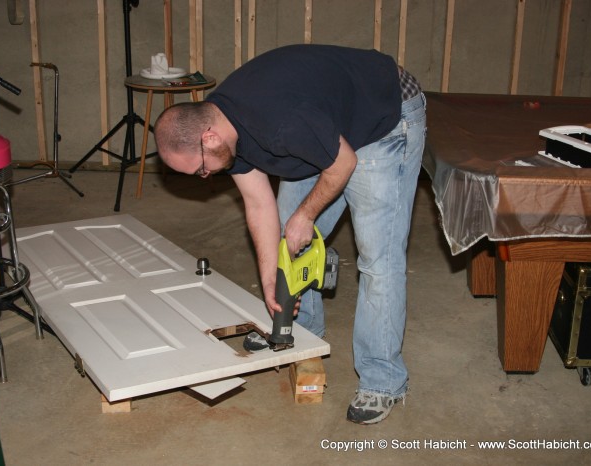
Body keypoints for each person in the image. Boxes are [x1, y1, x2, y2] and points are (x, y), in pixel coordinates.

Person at [154, 44, 426, 425]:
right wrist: (270, 278)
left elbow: (343, 162)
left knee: (378, 260)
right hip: (326, 122)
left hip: (384, 114)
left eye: (200, 170)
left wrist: (307, 214)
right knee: (288, 232)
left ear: (209, 137)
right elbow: (258, 204)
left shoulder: (280, 122)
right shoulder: (225, 127)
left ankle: (384, 380)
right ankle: (298, 327)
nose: (205, 178)